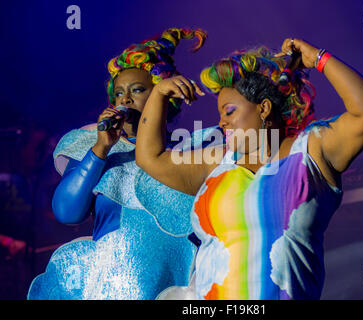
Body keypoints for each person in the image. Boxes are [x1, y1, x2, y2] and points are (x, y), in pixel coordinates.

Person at [135, 37, 363, 300]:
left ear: (263, 108)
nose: (221, 122)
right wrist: (159, 94)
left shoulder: (311, 151)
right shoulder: (217, 163)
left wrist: (319, 59)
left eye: (229, 112)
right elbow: (149, 157)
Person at [27, 28, 221, 300]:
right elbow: (66, 212)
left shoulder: (190, 152)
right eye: (118, 93)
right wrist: (100, 149)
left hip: (174, 285)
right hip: (111, 288)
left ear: (164, 94)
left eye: (138, 90)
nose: (125, 99)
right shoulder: (96, 148)